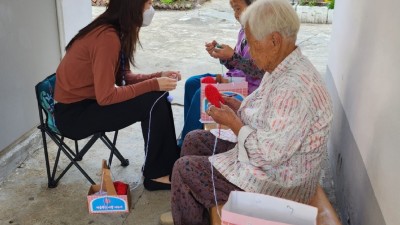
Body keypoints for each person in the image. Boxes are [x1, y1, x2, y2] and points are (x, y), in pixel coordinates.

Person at [170, 0, 333, 224]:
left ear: (275, 41)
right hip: (270, 160)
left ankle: (187, 202)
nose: (251, 55)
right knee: (193, 140)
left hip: (280, 183)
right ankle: (191, 207)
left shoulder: (294, 88)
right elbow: (265, 113)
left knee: (183, 170)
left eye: (253, 45)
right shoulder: (281, 66)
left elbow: (267, 155)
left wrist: (234, 124)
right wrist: (238, 107)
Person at [54, 0, 180, 191]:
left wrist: (157, 76)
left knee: (157, 96)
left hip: (88, 103)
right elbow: (106, 96)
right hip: (74, 116)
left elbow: (123, 77)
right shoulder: (106, 37)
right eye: (148, 4)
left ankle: (165, 164)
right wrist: (153, 84)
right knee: (154, 99)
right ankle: (157, 174)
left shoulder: (116, 30)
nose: (151, 8)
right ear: (133, 6)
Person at [177, 0, 265, 148]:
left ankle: (183, 146)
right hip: (235, 78)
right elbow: (236, 63)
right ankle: (190, 133)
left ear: (254, 7)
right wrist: (223, 55)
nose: (236, 14)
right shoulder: (244, 31)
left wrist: (232, 57)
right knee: (191, 83)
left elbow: (260, 70)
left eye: (238, 9)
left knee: (202, 93)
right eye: (233, 9)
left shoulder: (262, 34)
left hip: (249, 89)